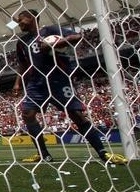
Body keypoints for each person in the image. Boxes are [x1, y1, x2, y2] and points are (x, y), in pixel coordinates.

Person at [11, 9, 127, 165]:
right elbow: (23, 64)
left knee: (77, 115)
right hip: (36, 83)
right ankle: (43, 154)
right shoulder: (22, 42)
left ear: (32, 18)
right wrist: (18, 83)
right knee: (27, 114)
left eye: (21, 20)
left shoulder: (50, 30)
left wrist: (55, 44)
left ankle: (103, 152)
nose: (19, 23)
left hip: (59, 80)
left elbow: (77, 36)